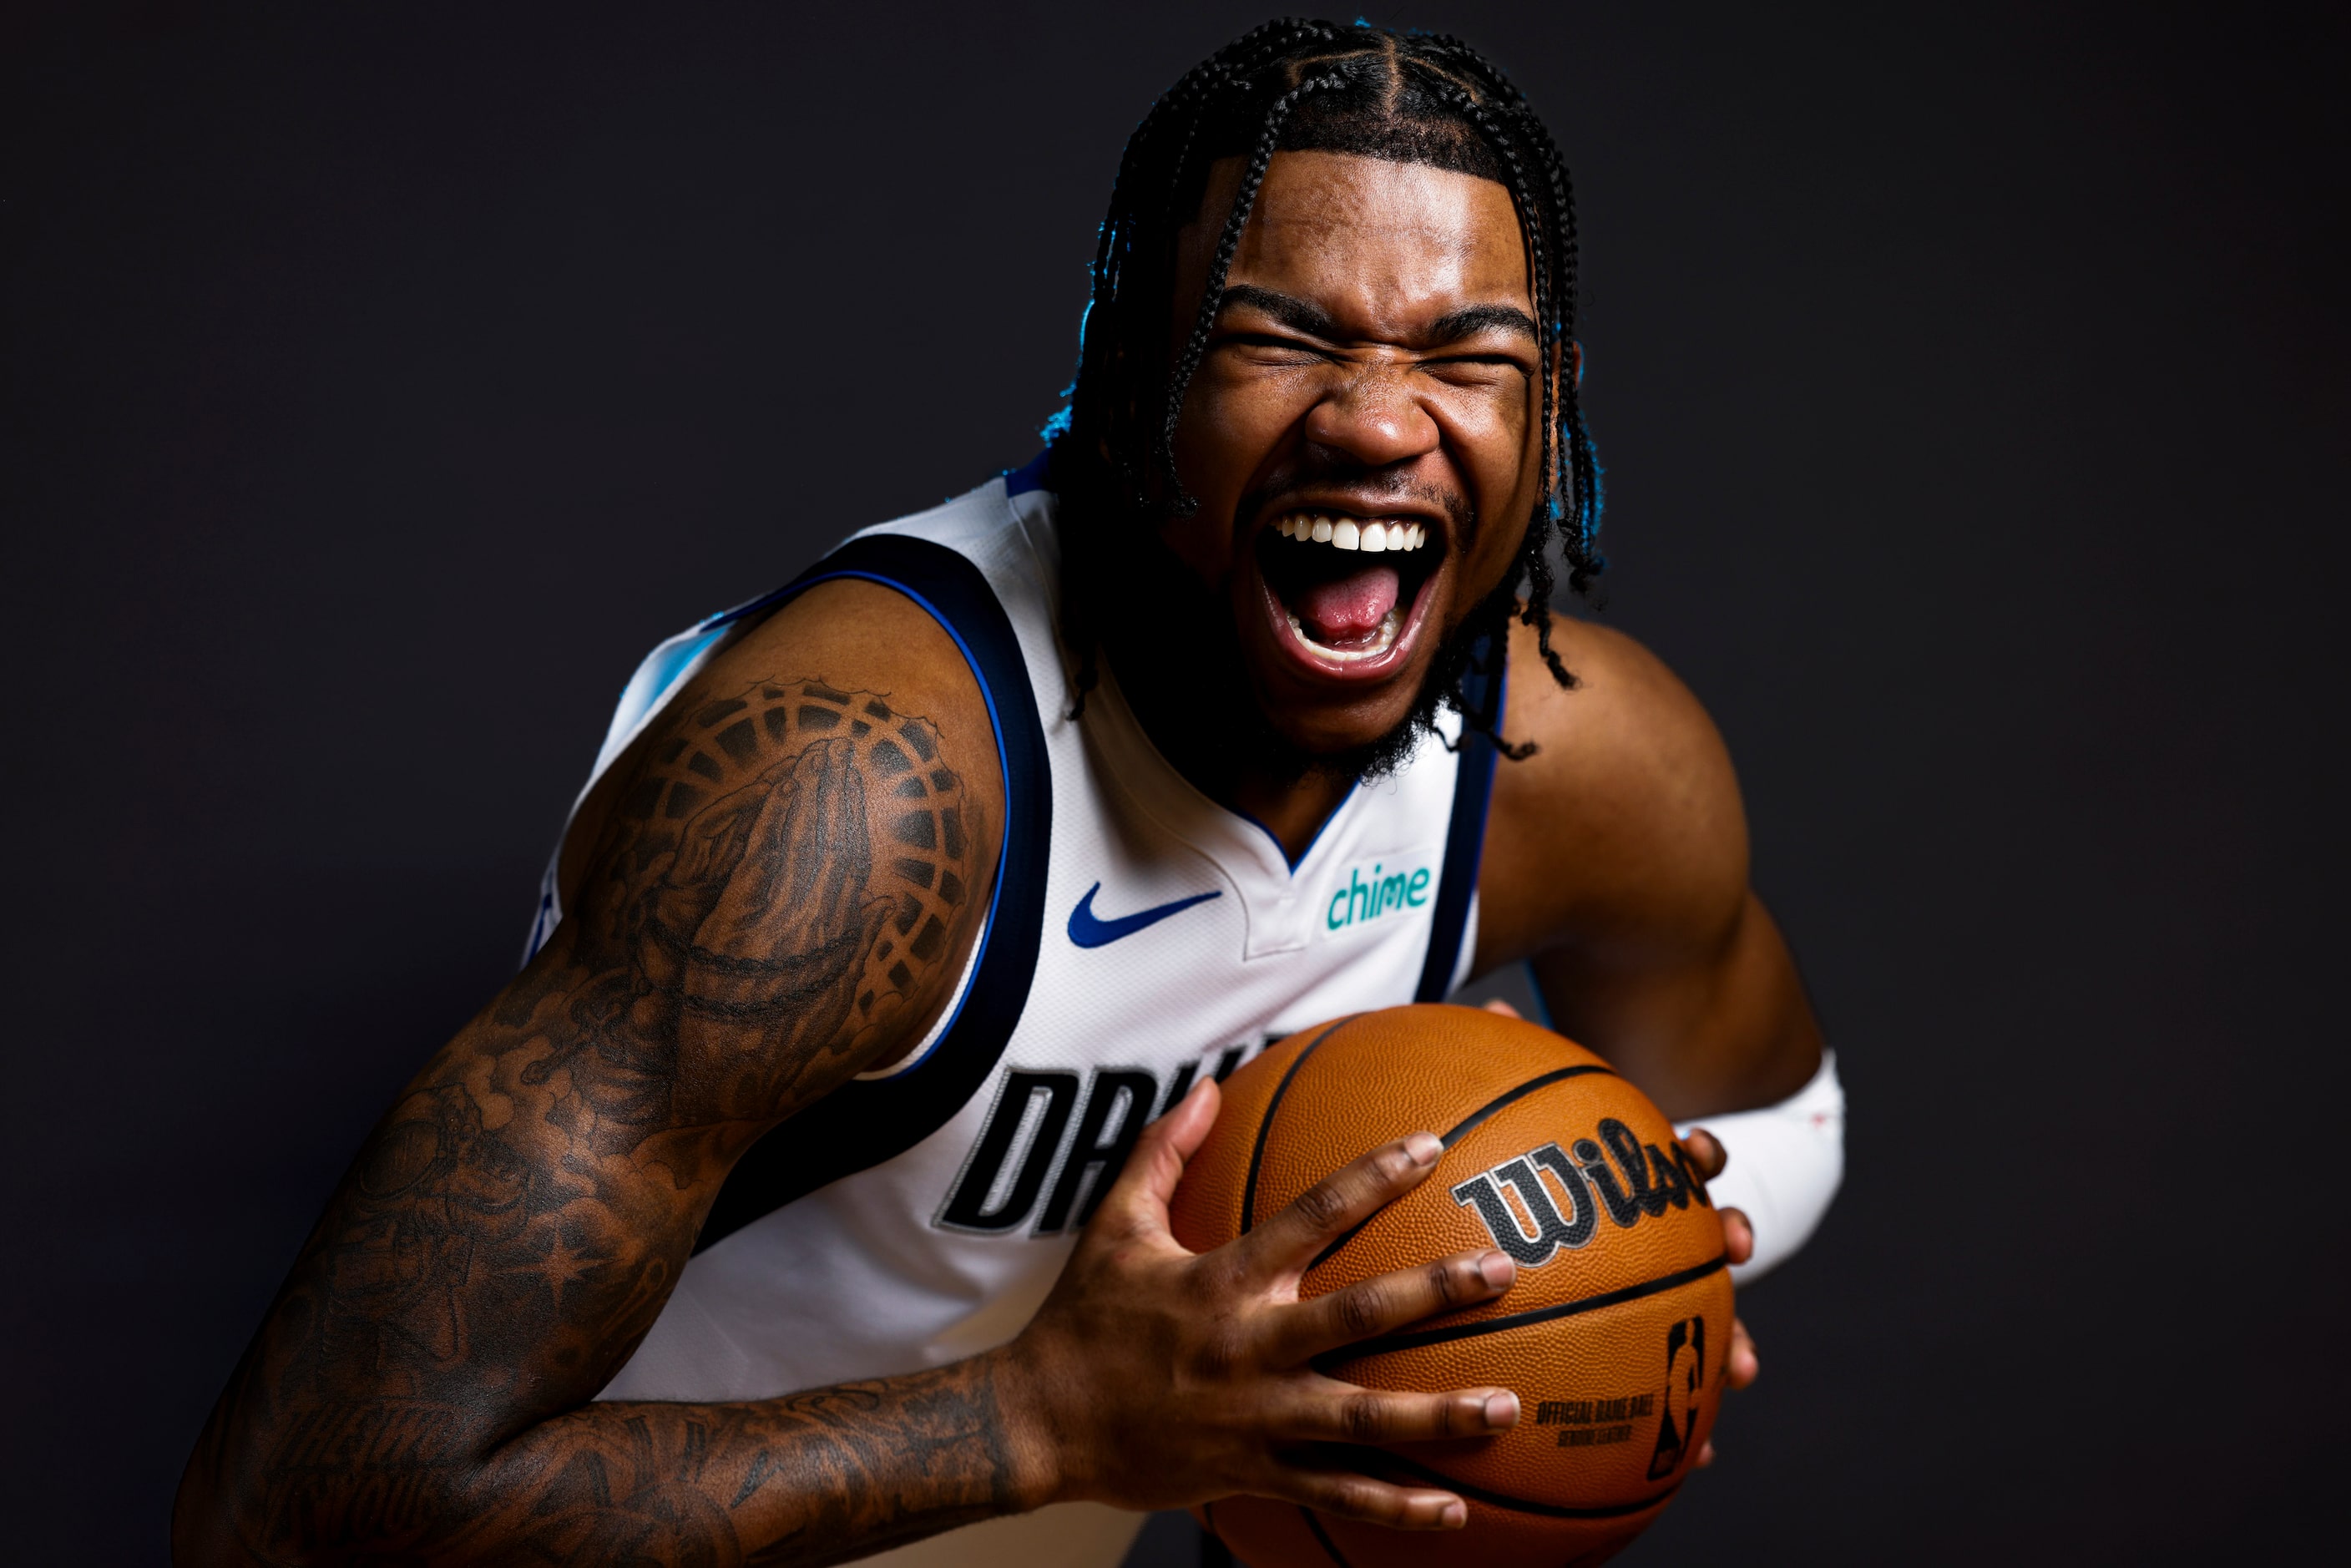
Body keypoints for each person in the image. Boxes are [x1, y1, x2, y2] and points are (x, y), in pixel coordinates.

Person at [174, 19, 1843, 1567]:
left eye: (1467, 356)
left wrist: (1623, 1276)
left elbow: (1779, 1123)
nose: (1381, 421)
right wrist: (1041, 1420)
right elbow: (296, 1511)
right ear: (1132, 379)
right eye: (1280, 336)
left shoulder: (1575, 763)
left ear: (1550, 419)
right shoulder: (851, 800)